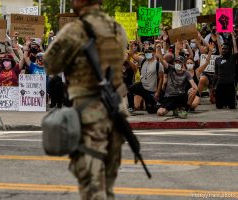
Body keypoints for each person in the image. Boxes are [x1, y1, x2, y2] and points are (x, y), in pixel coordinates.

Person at [44, 0, 127, 199]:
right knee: (107, 185)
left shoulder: (75, 30)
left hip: (90, 114)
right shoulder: (117, 28)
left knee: (92, 188)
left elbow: (50, 64)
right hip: (117, 112)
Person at [128, 46, 164, 114]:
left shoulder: (158, 64)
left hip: (151, 90)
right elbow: (132, 54)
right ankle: (131, 108)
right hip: (142, 86)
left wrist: (158, 92)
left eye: (149, 52)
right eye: (146, 52)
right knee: (130, 89)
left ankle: (156, 105)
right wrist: (131, 45)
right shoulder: (142, 60)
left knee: (151, 111)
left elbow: (161, 79)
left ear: (153, 52)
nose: (147, 54)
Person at [214, 33, 238, 109]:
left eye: (226, 49)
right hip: (220, 85)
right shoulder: (217, 59)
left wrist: (233, 37)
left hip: (230, 84)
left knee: (231, 107)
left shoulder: (232, 58)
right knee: (219, 107)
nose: (224, 50)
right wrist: (214, 86)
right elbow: (216, 73)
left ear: (229, 50)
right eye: (223, 48)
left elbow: (235, 48)